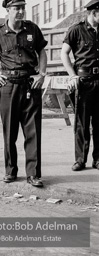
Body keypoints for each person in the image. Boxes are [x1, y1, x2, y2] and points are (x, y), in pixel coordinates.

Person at [0, 0, 48, 187]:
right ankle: (11, 171)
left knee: (33, 131)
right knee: (10, 131)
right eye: (16, 8)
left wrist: (42, 73)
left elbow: (41, 50)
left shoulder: (32, 29)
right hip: (8, 86)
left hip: (30, 84)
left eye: (22, 8)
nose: (20, 11)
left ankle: (33, 174)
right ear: (7, 11)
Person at [61, 0, 99, 172]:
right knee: (82, 124)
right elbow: (64, 53)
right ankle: (80, 160)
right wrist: (72, 75)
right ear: (94, 12)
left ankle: (97, 160)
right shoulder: (76, 30)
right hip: (84, 82)